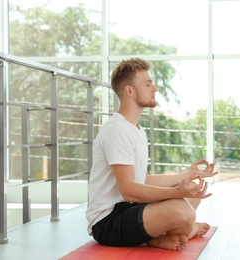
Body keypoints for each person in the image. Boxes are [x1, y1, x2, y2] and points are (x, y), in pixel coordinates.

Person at [85, 57, 218, 251]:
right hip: (108, 221)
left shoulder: (136, 129)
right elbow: (129, 190)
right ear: (129, 90)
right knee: (182, 210)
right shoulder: (117, 130)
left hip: (130, 209)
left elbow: (144, 179)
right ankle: (181, 231)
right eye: (148, 84)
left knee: (193, 195)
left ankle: (158, 237)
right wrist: (175, 192)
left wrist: (188, 176)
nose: (154, 89)